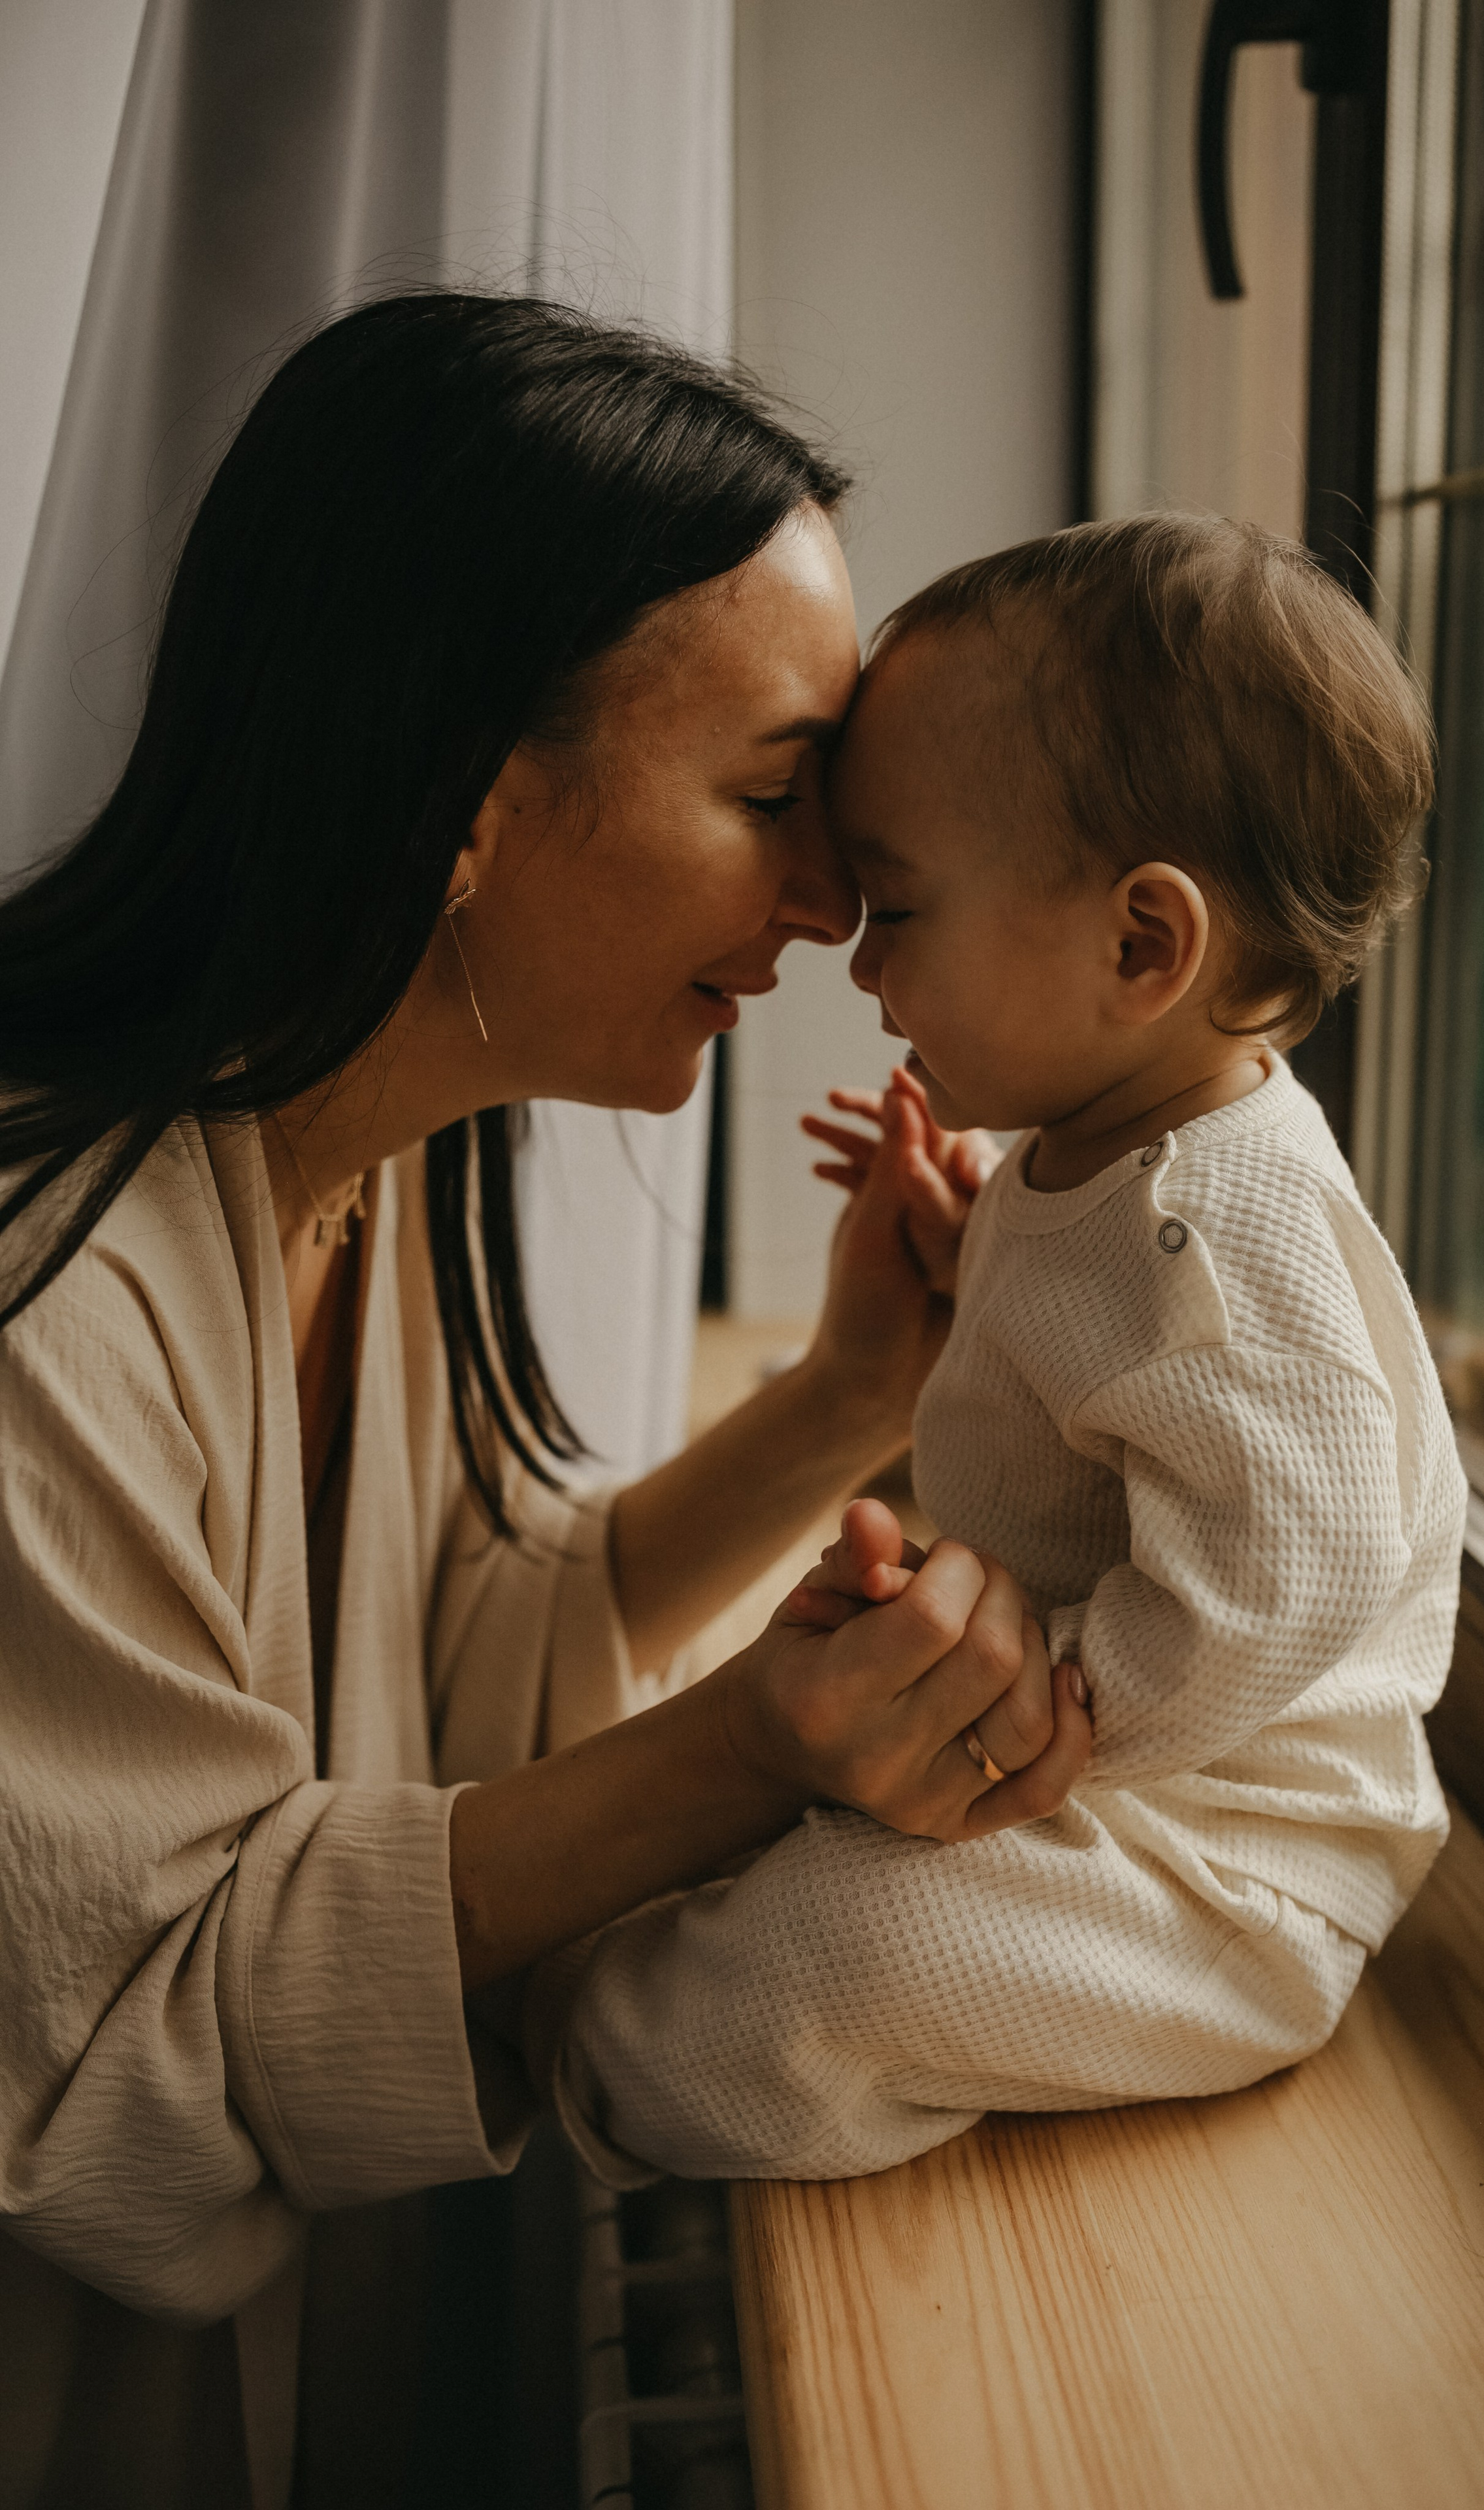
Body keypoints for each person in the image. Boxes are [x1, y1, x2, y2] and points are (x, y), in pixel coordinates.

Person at [0, 295, 1093, 2510]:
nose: (829, 909)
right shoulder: (46, 1303)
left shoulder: (350, 1168)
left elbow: (448, 1663)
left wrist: (845, 1398)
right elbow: (127, 2029)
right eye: (782, 799)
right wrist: (746, 1751)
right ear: (471, 797)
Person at [545, 513, 1469, 2185]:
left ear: (1139, 947)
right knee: (793, 1839)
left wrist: (1021, 1714)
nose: (855, 951)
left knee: (844, 1946)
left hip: (1227, 1863)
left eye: (896, 903)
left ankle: (597, 2074)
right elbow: (1117, 1376)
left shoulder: (1224, 1231)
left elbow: (1288, 1564)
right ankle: (631, 1995)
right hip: (1109, 1802)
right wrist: (978, 1240)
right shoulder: (1115, 1144)